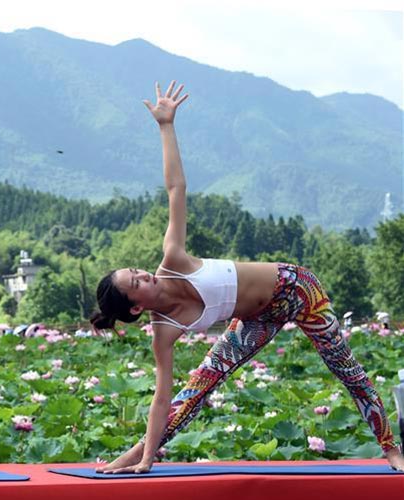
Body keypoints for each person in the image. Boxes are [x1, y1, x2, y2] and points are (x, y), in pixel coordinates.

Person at [92, 81, 403, 474]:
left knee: (346, 368)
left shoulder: (172, 260)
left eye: (137, 271)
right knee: (197, 387)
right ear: (136, 306)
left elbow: (176, 188)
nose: (143, 275)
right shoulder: (164, 331)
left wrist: (165, 126)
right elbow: (161, 395)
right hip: (260, 319)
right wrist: (151, 457)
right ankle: (139, 455)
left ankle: (390, 448)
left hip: (298, 288)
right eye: (136, 282)